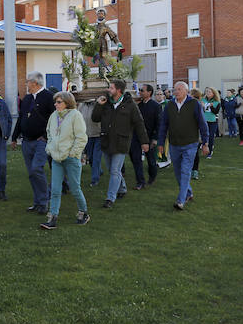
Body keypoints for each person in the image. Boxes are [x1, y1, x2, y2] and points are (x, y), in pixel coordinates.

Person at [92, 79, 149, 209]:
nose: (108, 90)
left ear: (118, 90)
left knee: (114, 170)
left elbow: (139, 124)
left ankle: (110, 198)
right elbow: (95, 118)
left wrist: (144, 141)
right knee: (113, 169)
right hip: (106, 141)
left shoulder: (130, 105)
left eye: (111, 88)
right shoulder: (106, 102)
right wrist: (99, 105)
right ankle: (122, 188)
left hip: (121, 142)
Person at [158, 81, 209, 211]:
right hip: (174, 144)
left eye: (179, 89)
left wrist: (205, 142)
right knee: (178, 173)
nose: (176, 92)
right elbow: (163, 125)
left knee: (185, 171)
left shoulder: (194, 104)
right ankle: (188, 192)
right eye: (175, 89)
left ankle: (180, 200)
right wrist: (160, 142)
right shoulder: (169, 105)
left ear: (186, 91)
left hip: (190, 144)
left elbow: (203, 124)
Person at [41, 91, 88, 229]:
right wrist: (50, 148)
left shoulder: (75, 115)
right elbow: (49, 133)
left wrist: (73, 153)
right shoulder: (53, 116)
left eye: (59, 102)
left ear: (67, 103)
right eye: (55, 102)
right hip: (56, 158)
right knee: (55, 189)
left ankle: (83, 212)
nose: (56, 104)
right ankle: (52, 218)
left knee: (75, 188)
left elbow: (81, 137)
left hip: (71, 159)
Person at [11, 71, 55, 214]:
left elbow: (55, 119)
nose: (26, 84)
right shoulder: (27, 98)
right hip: (27, 141)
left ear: (35, 83)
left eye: (27, 81)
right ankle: (37, 202)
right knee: (31, 173)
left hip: (41, 141)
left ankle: (44, 201)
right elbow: (22, 118)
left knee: (37, 168)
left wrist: (45, 136)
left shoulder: (49, 97)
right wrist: (14, 136)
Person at [130, 84, 160, 190]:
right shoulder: (138, 105)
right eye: (140, 90)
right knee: (136, 158)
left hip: (150, 137)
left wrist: (155, 138)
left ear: (149, 92)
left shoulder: (156, 106)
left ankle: (152, 177)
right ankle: (140, 182)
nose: (140, 92)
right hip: (137, 136)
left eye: (142, 90)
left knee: (151, 160)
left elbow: (158, 123)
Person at [201, 87, 221, 158]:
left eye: (209, 92)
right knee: (203, 135)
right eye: (207, 91)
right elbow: (200, 111)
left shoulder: (216, 102)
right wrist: (202, 107)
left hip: (213, 121)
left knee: (211, 136)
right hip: (204, 120)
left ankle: (209, 151)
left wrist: (212, 107)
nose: (208, 93)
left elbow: (216, 112)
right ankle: (204, 147)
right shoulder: (203, 100)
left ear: (213, 93)